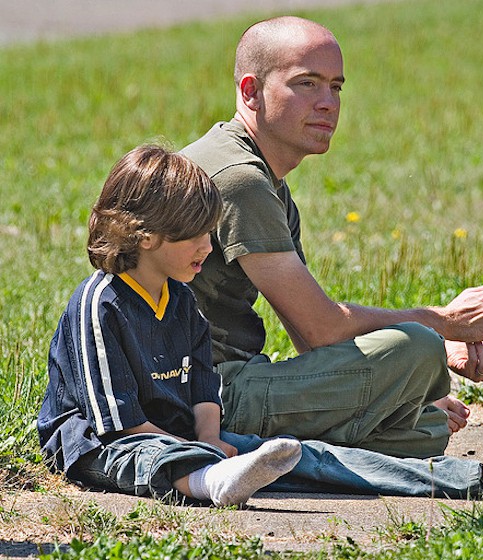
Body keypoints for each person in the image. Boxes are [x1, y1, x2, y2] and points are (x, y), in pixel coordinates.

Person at [181, 16, 483, 460]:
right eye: (306, 84)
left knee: (425, 429)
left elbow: (309, 339)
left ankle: (289, 444)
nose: (328, 103)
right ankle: (265, 446)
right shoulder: (239, 180)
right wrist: (441, 326)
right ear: (251, 91)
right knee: (415, 349)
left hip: (218, 385)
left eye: (336, 87)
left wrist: (436, 360)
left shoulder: (264, 180)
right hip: (202, 397)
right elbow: (321, 329)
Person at [37, 145, 303, 506]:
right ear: (145, 235)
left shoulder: (182, 300)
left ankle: (398, 475)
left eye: (210, 234)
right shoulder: (98, 304)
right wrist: (198, 451)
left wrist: (209, 439)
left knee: (295, 454)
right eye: (195, 236)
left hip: (179, 436)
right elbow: (118, 422)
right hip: (103, 442)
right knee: (150, 457)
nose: (208, 248)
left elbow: (203, 385)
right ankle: (213, 481)